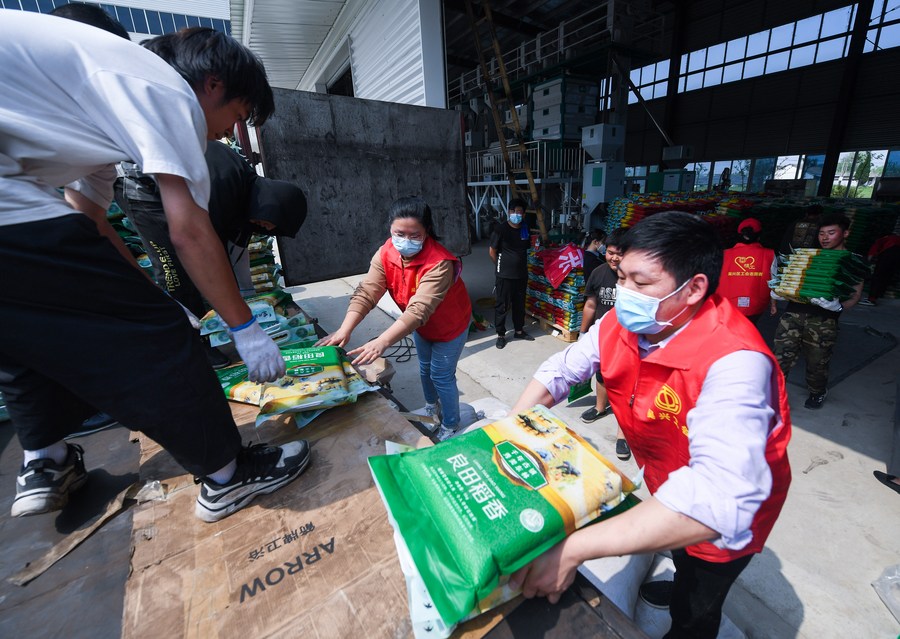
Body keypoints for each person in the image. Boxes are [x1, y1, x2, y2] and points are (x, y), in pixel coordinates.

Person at [0, 12, 310, 523]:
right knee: (163, 338)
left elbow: (90, 220)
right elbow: (189, 231)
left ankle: (46, 460)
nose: (233, 130)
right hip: (11, 207)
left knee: (20, 330)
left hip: (13, 209)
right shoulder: (166, 92)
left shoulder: (99, 108)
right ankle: (227, 476)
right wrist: (244, 328)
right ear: (212, 85)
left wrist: (154, 293)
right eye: (239, 112)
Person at [507, 211, 792, 639]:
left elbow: (716, 501)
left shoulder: (736, 363)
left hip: (725, 518)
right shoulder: (621, 323)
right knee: (680, 556)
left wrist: (574, 550)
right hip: (665, 475)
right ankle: (680, 576)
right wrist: (511, 436)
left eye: (641, 284)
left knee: (697, 605)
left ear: (694, 287)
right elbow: (559, 372)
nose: (624, 293)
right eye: (622, 277)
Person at [114, 137, 308, 365]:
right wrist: (241, 325)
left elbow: (234, 252)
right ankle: (191, 345)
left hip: (168, 185)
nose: (264, 227)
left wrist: (248, 304)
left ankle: (200, 334)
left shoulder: (244, 196)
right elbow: (203, 250)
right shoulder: (224, 186)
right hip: (139, 184)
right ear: (272, 207)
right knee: (174, 268)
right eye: (269, 223)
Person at [317, 197, 472, 441]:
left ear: (427, 232)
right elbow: (368, 291)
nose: (405, 241)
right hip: (422, 328)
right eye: (400, 233)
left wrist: (382, 342)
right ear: (390, 228)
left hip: (450, 327)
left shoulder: (440, 263)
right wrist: (344, 329)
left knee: (441, 375)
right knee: (424, 369)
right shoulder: (386, 252)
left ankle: (451, 424)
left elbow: (417, 310)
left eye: (414, 235)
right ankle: (432, 408)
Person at [772, 213, 863, 410]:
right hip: (792, 315)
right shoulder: (808, 256)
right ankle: (774, 397)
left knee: (817, 362)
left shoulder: (851, 262)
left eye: (831, 232)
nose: (825, 238)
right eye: (822, 233)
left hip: (824, 320)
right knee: (780, 357)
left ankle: (818, 391)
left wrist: (838, 307)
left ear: (845, 233)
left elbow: (855, 295)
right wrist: (781, 291)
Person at [578, 229, 630, 461]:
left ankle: (623, 433)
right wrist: (582, 333)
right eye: (610, 252)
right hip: (602, 338)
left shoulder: (635, 278)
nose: (614, 258)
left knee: (627, 386)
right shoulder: (598, 273)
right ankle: (600, 407)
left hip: (629, 342)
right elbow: (590, 305)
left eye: (620, 254)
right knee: (601, 375)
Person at [490, 198, 534, 348]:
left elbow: (527, 247)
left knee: (519, 304)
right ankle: (501, 334)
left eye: (520, 212)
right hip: (504, 275)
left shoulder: (525, 228)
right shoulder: (500, 229)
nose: (517, 214)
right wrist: (500, 267)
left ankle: (519, 330)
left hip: (521, 274)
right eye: (514, 211)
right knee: (502, 305)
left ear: (524, 214)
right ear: (509, 212)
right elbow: (492, 251)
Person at [717, 218, 777, 323]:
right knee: (750, 330)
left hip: (728, 304)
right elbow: (774, 281)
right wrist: (773, 304)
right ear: (759, 236)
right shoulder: (769, 254)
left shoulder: (724, 254)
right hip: (756, 306)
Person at [859, 233, 900, 306]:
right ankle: (876, 296)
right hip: (895, 259)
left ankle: (871, 299)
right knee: (886, 277)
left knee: (877, 277)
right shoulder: (895, 239)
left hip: (887, 257)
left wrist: (870, 260)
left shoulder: (882, 240)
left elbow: (872, 252)